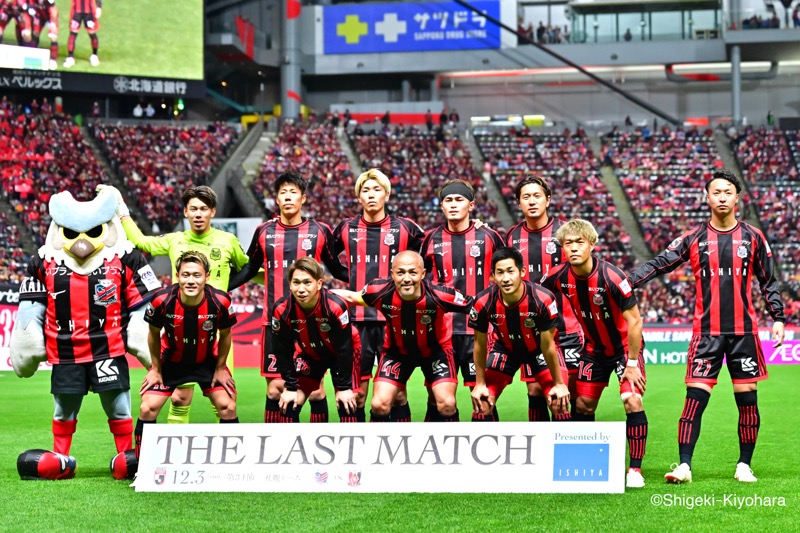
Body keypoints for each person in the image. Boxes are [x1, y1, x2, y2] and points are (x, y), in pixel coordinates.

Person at [629, 169, 784, 484]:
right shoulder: (694, 238)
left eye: (728, 192)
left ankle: (744, 465)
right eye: (717, 192)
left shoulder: (753, 236)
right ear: (708, 197)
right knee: (694, 399)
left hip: (744, 333)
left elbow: (769, 280)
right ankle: (684, 466)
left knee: (747, 399)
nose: (723, 197)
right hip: (706, 334)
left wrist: (777, 316)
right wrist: (624, 281)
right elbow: (660, 263)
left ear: (736, 197)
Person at [104, 184, 250, 424]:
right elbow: (142, 242)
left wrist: (277, 281)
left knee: (224, 397)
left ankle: (223, 458)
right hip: (179, 326)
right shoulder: (175, 241)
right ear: (185, 212)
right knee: (180, 397)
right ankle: (176, 455)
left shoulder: (227, 241)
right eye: (193, 209)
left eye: (203, 208)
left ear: (212, 212)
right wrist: (122, 211)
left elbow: (248, 268)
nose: (198, 214)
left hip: (215, 329)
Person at [230, 170, 348, 423]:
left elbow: (336, 269)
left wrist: (374, 283)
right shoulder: (264, 231)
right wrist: (222, 287)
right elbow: (250, 269)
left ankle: (318, 454)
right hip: (275, 323)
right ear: (276, 199)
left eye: (293, 192)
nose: (287, 197)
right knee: (275, 390)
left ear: (303, 198)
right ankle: (276, 451)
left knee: (315, 391)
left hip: (314, 324)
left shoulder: (320, 231)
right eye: (283, 192)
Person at [542, 219, 648, 489]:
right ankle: (581, 461)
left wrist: (633, 364)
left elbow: (635, 321)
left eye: (579, 242)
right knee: (583, 406)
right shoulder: (557, 276)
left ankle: (634, 469)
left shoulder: (612, 277)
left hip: (625, 350)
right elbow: (537, 297)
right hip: (593, 349)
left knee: (631, 400)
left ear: (591, 244)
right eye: (568, 244)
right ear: (562, 248)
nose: (574, 248)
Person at [334, 251, 472, 422]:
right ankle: (379, 448)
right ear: (392, 274)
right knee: (379, 404)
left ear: (423, 274)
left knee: (446, 404)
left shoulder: (440, 294)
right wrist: (315, 291)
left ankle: (443, 447)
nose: (407, 278)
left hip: (436, 353)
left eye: (413, 272)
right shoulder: (379, 290)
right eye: (400, 272)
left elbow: (477, 306)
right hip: (396, 353)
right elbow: (352, 297)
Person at [333, 169, 425, 422]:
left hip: (394, 320)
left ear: (387, 193)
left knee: (397, 394)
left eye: (376, 189)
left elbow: (433, 250)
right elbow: (326, 257)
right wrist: (351, 276)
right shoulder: (346, 228)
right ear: (359, 197)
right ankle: (356, 455)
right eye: (365, 190)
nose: (371, 195)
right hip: (357, 322)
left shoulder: (405, 227)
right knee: (357, 395)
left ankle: (396, 453)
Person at [136, 251, 238, 457]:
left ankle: (231, 461)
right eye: (186, 275)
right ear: (177, 276)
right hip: (171, 362)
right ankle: (142, 463)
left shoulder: (221, 301)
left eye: (197, 275)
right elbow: (153, 334)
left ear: (206, 277)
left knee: (227, 406)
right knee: (147, 408)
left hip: (206, 362)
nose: (191, 280)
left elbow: (226, 335)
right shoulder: (161, 300)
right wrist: (155, 369)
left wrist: (220, 368)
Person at [420, 179, 503, 421]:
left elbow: (508, 272)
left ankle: (488, 455)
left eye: (459, 199)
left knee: (483, 398)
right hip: (440, 332)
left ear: (471, 205)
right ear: (442, 206)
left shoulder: (490, 237)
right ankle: (438, 456)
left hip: (478, 332)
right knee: (437, 398)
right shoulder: (430, 239)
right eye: (448, 200)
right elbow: (418, 278)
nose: (454, 205)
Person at [506, 176, 583, 420]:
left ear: (548, 199)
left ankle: (570, 451)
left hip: (567, 326)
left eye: (537, 196)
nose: (531, 201)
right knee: (536, 388)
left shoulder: (566, 233)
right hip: (532, 331)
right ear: (519, 203)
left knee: (568, 393)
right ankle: (541, 453)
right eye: (525, 197)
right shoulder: (511, 236)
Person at [470, 247, 570, 420]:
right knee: (483, 403)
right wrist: (479, 384)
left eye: (511, 271)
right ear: (493, 275)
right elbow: (479, 344)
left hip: (539, 350)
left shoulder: (543, 298)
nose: (506, 278)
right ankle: (490, 446)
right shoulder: (482, 301)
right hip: (505, 350)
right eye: (500, 273)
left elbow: (547, 345)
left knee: (558, 402)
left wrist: (559, 383)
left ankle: (554, 447)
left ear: (522, 272)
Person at [274, 257, 360, 422]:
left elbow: (344, 349)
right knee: (289, 406)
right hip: (310, 356)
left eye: (307, 282)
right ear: (290, 284)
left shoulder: (335, 306)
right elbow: (282, 350)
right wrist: (291, 387)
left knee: (349, 404)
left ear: (319, 284)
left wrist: (344, 388)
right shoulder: (281, 309)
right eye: (296, 282)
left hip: (342, 355)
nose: (301, 289)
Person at [64, 0, 102, 68]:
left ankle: (94, 55)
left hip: (89, 12)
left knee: (92, 34)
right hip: (76, 12)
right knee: (73, 34)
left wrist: (99, 7)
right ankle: (70, 57)